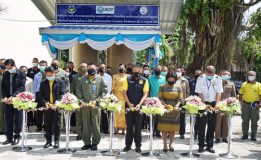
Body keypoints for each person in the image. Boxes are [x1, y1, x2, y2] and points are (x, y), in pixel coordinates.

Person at [76, 63, 107, 151]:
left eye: (92, 68)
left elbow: (104, 92)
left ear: (96, 69)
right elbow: (78, 91)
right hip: (85, 106)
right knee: (86, 124)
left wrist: (97, 101)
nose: (91, 70)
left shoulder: (100, 79)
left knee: (96, 124)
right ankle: (87, 143)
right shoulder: (82, 80)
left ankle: (95, 143)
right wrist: (82, 101)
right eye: (89, 69)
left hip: (95, 106)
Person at [195, 65, 223, 153]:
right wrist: (203, 104)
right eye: (208, 73)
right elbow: (199, 92)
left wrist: (217, 104)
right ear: (205, 72)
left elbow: (219, 92)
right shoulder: (200, 78)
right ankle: (201, 145)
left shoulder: (218, 79)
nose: (210, 74)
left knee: (211, 125)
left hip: (213, 103)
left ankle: (209, 145)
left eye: (212, 73)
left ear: (214, 72)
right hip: (203, 103)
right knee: (201, 125)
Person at [122, 63, 149, 153]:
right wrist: (128, 103)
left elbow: (145, 94)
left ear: (141, 71)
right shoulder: (128, 79)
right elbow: (124, 92)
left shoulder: (145, 80)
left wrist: (140, 104)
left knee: (138, 127)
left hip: (139, 107)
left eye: (138, 71)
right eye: (135, 70)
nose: (137, 72)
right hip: (129, 106)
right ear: (133, 70)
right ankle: (128, 145)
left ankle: (138, 146)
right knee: (129, 126)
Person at [38, 66, 65, 149]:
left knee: (57, 125)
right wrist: (45, 102)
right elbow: (40, 94)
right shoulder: (43, 82)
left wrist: (57, 102)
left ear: (54, 73)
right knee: (47, 124)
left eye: (50, 75)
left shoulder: (60, 82)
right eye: (47, 75)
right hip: (47, 106)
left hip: (56, 106)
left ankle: (56, 141)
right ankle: (48, 141)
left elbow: (62, 94)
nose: (48, 77)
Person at [1, 59, 26, 145]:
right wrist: (5, 97)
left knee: (18, 119)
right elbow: (3, 86)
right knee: (8, 119)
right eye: (6, 67)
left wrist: (13, 96)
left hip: (18, 99)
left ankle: (17, 137)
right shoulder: (5, 74)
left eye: (8, 67)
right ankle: (9, 138)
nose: (7, 69)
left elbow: (22, 87)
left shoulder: (21, 73)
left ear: (13, 65)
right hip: (8, 100)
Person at [158, 72, 183, 152]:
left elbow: (180, 99)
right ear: (167, 78)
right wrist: (165, 105)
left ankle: (171, 143)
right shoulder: (162, 86)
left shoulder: (178, 87)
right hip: (165, 109)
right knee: (164, 128)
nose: (171, 79)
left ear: (175, 79)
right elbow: (160, 98)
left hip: (175, 110)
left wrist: (177, 105)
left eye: (172, 78)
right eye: (169, 78)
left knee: (173, 128)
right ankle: (165, 144)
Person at [215, 70, 236, 143]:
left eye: (226, 74)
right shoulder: (217, 83)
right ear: (220, 75)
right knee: (218, 122)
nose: (225, 76)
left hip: (227, 105)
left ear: (229, 75)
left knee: (226, 122)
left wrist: (234, 105)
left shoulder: (231, 84)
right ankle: (217, 137)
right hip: (218, 105)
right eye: (223, 74)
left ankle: (225, 137)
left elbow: (233, 95)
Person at [239, 71, 261, 141]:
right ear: (247, 76)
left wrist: (260, 104)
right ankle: (245, 134)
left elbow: (260, 95)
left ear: (255, 76)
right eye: (249, 75)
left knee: (254, 121)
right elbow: (241, 94)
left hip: (255, 105)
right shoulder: (244, 84)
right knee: (245, 120)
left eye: (252, 75)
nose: (251, 76)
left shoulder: (259, 85)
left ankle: (253, 135)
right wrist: (240, 104)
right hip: (245, 104)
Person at [148, 65, 166, 137]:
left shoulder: (164, 78)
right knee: (152, 117)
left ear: (161, 70)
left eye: (159, 69)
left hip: (161, 100)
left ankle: (158, 132)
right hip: (152, 100)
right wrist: (148, 99)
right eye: (156, 69)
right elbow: (148, 89)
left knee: (159, 117)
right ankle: (152, 132)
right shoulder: (150, 78)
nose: (157, 70)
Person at [71, 63, 87, 140]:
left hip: (88, 101)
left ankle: (87, 133)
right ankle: (79, 133)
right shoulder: (75, 77)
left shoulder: (89, 76)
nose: (82, 68)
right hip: (78, 101)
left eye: (84, 67)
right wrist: (72, 99)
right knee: (79, 118)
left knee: (87, 118)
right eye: (81, 67)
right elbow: (72, 89)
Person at [113, 64, 128, 134]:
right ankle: (116, 128)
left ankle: (123, 129)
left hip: (125, 97)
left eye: (122, 67)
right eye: (120, 67)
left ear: (125, 68)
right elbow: (113, 87)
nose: (121, 68)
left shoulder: (128, 77)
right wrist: (113, 97)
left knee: (123, 113)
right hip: (117, 97)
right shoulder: (115, 76)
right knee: (116, 112)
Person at [176, 67, 190, 139]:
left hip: (182, 102)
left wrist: (186, 100)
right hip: (174, 101)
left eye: (179, 71)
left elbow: (188, 91)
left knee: (182, 117)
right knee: (173, 117)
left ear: (182, 72)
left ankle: (182, 133)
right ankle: (171, 131)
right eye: (176, 71)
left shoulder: (185, 81)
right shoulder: (173, 79)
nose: (178, 72)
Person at [98, 63, 112, 134]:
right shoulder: (96, 76)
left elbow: (109, 88)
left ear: (105, 68)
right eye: (101, 67)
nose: (102, 68)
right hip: (97, 98)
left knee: (105, 114)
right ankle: (98, 129)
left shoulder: (109, 77)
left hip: (106, 98)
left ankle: (106, 129)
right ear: (98, 68)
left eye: (103, 67)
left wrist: (108, 97)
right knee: (98, 114)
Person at [34, 60, 48, 132]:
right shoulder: (36, 75)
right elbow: (35, 86)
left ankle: (46, 125)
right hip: (39, 94)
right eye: (41, 65)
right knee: (39, 111)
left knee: (46, 110)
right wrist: (35, 96)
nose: (42, 66)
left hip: (46, 94)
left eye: (44, 65)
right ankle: (39, 126)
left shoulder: (49, 74)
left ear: (46, 65)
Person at [189, 70, 202, 140]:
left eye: (199, 74)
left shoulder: (203, 82)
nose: (198, 75)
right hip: (192, 103)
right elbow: (189, 91)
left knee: (199, 119)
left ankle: (198, 133)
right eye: (196, 74)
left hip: (200, 103)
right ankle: (193, 134)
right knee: (192, 119)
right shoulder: (191, 82)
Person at [0, 58, 6, 135]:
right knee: (1, 114)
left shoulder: (10, 74)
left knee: (8, 114)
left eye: (4, 64)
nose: (2, 65)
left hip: (9, 97)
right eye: (1, 63)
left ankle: (9, 129)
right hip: (0, 97)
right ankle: (2, 129)